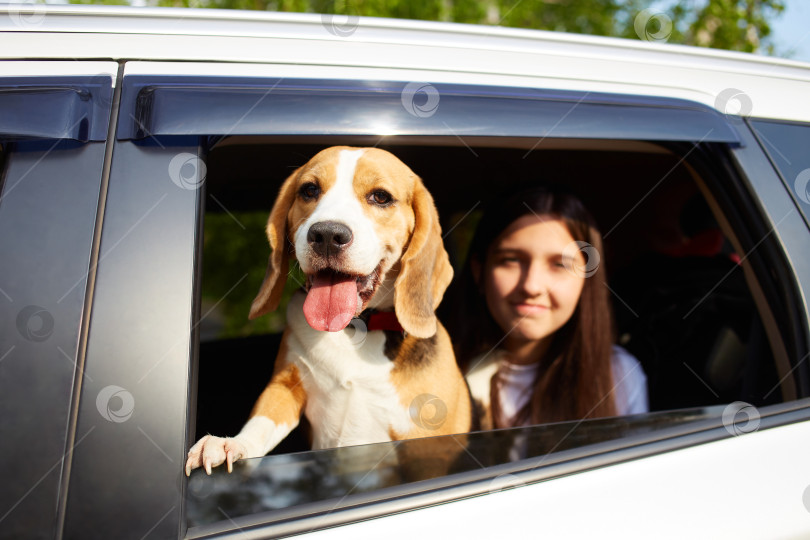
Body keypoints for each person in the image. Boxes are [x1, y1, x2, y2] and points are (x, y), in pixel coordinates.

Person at [445, 185, 648, 430]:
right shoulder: (437, 370)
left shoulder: (618, 376)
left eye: (560, 265)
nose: (531, 286)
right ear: (480, 272)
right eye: (510, 260)